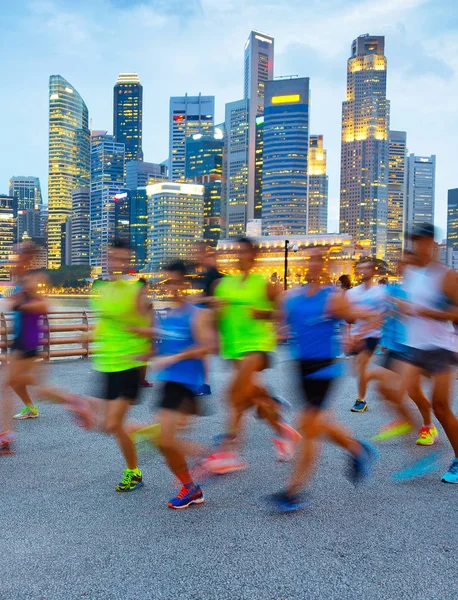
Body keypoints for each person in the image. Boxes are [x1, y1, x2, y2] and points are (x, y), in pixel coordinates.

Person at [267, 248, 378, 512]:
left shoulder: (332, 298)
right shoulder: (291, 298)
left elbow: (353, 315)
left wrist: (357, 332)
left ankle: (292, 490)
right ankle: (357, 449)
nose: (314, 263)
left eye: (319, 259)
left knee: (309, 428)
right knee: (316, 423)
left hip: (324, 368)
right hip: (300, 368)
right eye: (310, 259)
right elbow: (278, 325)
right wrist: (277, 331)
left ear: (326, 265)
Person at [204, 237, 299, 474]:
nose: (240, 256)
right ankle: (284, 431)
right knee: (254, 397)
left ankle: (228, 451)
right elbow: (216, 316)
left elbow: (282, 312)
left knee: (234, 394)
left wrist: (264, 314)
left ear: (254, 257)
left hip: (258, 346)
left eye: (245, 252)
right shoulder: (223, 285)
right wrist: (215, 314)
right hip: (234, 348)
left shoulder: (264, 284)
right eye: (238, 252)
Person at [143, 261, 214, 509]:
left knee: (165, 439)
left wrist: (176, 357)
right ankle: (191, 486)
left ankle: (208, 457)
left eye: (175, 282)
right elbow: (159, 349)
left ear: (184, 283)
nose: (171, 287)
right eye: (167, 282)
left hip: (185, 385)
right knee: (164, 442)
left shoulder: (196, 314)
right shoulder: (168, 316)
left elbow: (207, 346)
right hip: (168, 383)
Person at [397, 223, 458, 483]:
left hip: (442, 347)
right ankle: (426, 429)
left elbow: (456, 313)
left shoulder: (446, 276)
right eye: (414, 243)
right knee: (403, 390)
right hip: (416, 346)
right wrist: (401, 310)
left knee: (441, 406)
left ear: (433, 245)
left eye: (423, 242)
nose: (418, 247)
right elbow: (410, 308)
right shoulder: (411, 274)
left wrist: (424, 312)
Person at [89, 240, 152, 492]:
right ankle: (134, 470)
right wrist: (90, 334)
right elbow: (102, 321)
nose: (117, 263)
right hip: (105, 363)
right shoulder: (100, 288)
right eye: (112, 258)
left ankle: (158, 434)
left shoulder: (136, 290)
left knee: (114, 424)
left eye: (122, 259)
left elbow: (149, 327)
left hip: (128, 363)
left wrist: (143, 358)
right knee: (110, 426)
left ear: (129, 262)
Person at [368, 253, 436, 445]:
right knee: (385, 388)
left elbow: (423, 316)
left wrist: (404, 308)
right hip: (392, 345)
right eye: (400, 262)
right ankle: (407, 419)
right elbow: (386, 314)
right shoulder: (393, 289)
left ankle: (426, 426)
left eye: (407, 263)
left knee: (407, 391)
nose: (401, 266)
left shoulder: (420, 292)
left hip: (412, 346)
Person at [347, 260, 387, 412]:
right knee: (356, 370)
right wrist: (348, 337)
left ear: (373, 271)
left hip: (371, 335)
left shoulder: (380, 292)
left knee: (362, 365)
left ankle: (361, 400)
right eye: (361, 268)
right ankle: (380, 378)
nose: (363, 271)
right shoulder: (352, 293)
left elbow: (380, 319)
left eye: (366, 268)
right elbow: (348, 317)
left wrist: (363, 331)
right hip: (355, 335)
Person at [194, 242, 224, 396]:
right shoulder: (210, 275)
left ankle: (204, 384)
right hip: (212, 319)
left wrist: (196, 300)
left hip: (211, 320)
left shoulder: (213, 274)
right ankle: (203, 383)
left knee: (203, 352)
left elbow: (212, 297)